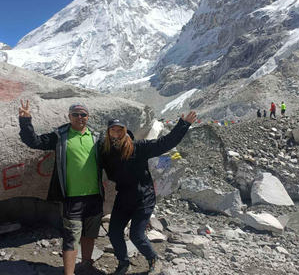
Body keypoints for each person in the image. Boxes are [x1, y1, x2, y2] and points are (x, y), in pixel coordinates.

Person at [101, 112, 197, 275]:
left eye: (119, 129)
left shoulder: (139, 147)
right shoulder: (106, 152)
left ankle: (154, 260)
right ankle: (124, 263)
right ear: (108, 132)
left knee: (136, 235)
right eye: (113, 130)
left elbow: (165, 143)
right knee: (115, 233)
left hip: (143, 198)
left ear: (125, 131)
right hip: (123, 199)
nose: (116, 133)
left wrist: (183, 124)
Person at [19, 101, 103, 275]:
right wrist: (26, 121)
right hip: (71, 197)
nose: (80, 117)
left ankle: (86, 265)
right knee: (71, 238)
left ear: (88, 117)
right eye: (76, 114)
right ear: (69, 116)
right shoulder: (59, 135)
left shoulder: (96, 137)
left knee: (89, 234)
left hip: (95, 196)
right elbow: (34, 142)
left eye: (83, 114)